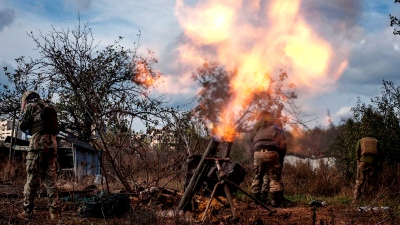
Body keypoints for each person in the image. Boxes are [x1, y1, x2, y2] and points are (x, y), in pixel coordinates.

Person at [18, 91, 61, 220]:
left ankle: (27, 211)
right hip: (52, 145)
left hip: (37, 146)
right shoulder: (49, 106)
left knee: (32, 179)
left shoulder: (30, 106)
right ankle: (55, 213)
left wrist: (22, 112)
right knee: (51, 180)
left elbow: (22, 126)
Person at [250, 111, 288, 207]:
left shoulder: (258, 126)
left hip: (257, 151)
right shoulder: (276, 124)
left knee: (258, 175)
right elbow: (283, 142)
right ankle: (274, 201)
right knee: (274, 177)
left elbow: (252, 142)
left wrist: (254, 156)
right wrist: (281, 157)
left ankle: (256, 200)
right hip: (272, 151)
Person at [353, 136, 379, 204]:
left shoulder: (361, 140)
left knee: (359, 181)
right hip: (373, 163)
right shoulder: (376, 141)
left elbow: (357, 151)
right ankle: (372, 200)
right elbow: (379, 153)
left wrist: (358, 160)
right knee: (372, 182)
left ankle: (356, 200)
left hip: (363, 163)